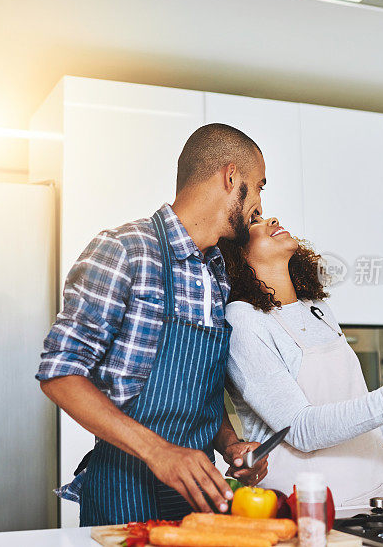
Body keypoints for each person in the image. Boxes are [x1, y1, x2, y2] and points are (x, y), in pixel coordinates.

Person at [37, 124, 271, 526]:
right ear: (231, 177)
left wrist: (232, 446)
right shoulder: (124, 249)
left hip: (198, 496)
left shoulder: (216, 274)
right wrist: (160, 453)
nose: (261, 207)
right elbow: (60, 373)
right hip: (122, 494)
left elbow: (200, 395)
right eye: (259, 186)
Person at [218, 216, 383, 507]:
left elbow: (357, 415)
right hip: (312, 505)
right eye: (254, 222)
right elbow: (300, 429)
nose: (272, 219)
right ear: (236, 255)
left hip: (379, 493)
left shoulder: (318, 309)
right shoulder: (243, 320)